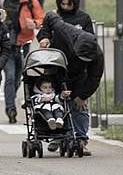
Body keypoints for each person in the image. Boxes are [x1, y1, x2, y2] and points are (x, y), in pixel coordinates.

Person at [38, 11, 104, 155]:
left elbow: (94, 78)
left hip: (80, 76)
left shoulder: (97, 55)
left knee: (79, 105)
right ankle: (59, 136)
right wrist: (44, 37)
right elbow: (49, 16)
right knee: (57, 103)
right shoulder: (64, 29)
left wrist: (82, 96)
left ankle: (81, 139)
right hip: (58, 69)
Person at [0, 0, 44, 124]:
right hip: (7, 46)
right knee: (9, 77)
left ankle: (12, 100)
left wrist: (34, 23)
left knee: (19, 78)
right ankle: (11, 108)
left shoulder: (30, 1)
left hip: (24, 44)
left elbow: (41, 19)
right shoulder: (1, 0)